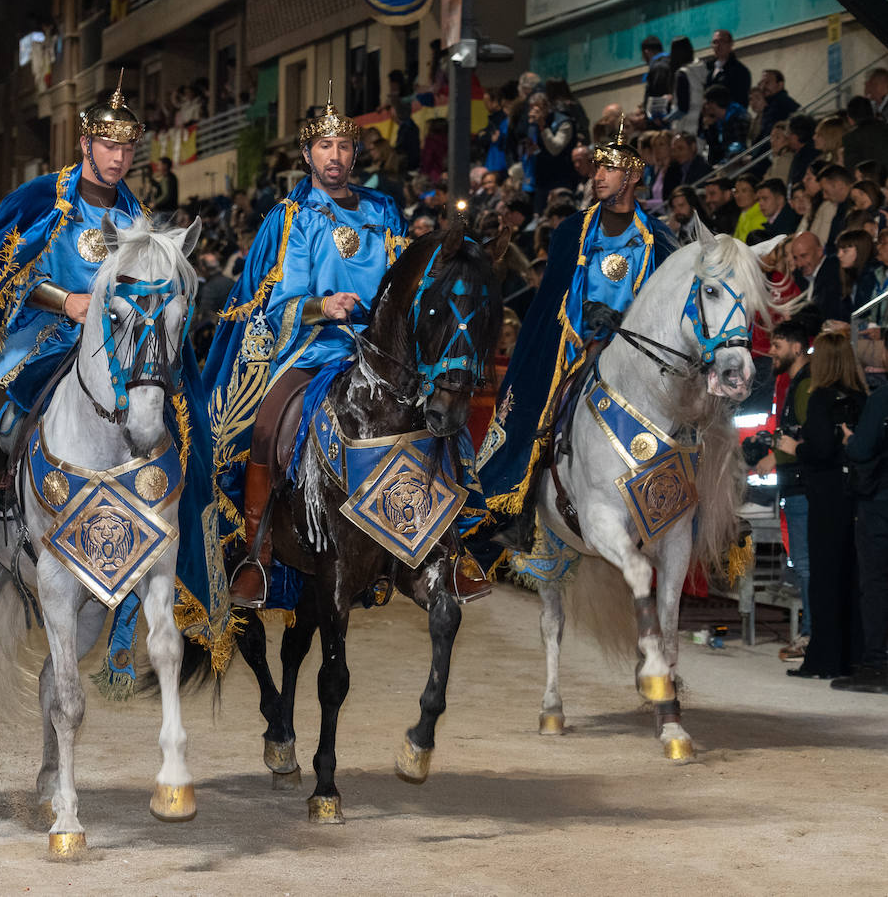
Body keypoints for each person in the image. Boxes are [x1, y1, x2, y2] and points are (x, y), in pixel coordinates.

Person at [0, 76, 209, 609]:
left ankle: (152, 554)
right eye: (109, 145)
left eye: (128, 147)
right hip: (43, 337)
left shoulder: (137, 218)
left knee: (171, 422)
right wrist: (68, 302)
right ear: (86, 144)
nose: (119, 157)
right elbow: (7, 278)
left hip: (115, 343)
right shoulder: (41, 198)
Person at [202, 89, 488, 608]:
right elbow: (277, 302)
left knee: (443, 418)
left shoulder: (383, 209)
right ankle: (256, 555)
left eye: (343, 146)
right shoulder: (294, 216)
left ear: (356, 155)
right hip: (314, 349)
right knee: (267, 423)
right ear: (307, 155)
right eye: (325, 146)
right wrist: (323, 306)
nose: (335, 156)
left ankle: (452, 544)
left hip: (383, 351)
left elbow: (407, 283)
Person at [480, 123, 673, 544]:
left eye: (610, 168)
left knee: (691, 415)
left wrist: (625, 321)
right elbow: (554, 299)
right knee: (539, 409)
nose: (598, 176)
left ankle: (706, 512)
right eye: (597, 168)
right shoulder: (572, 231)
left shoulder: (658, 238)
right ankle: (518, 507)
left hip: (639, 354)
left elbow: (670, 303)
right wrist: (587, 314)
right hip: (578, 346)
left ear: (634, 176)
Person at [785, 332, 865, 680]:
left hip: (824, 493)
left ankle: (823, 659)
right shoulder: (861, 398)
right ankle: (852, 657)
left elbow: (818, 449)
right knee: (851, 574)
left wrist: (794, 448)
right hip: (854, 494)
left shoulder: (820, 398)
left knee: (823, 576)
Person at [756, 318, 816, 657]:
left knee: (806, 565)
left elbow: (810, 437)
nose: (771, 353)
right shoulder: (794, 386)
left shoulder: (806, 386)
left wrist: (777, 458)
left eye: (777, 346)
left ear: (796, 347)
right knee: (805, 564)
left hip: (802, 489)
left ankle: (810, 636)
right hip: (796, 488)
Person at [837, 378, 888, 692]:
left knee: (876, 582)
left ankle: (877, 665)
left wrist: (850, 439)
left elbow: (863, 447)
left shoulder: (883, 398)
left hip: (881, 502)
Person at [790, 230, 849, 322]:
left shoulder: (834, 272)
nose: (799, 264)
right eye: (795, 258)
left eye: (804, 256)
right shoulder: (798, 276)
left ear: (819, 251)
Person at [698, 85, 750, 163]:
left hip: (734, 163)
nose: (705, 107)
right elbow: (714, 149)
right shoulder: (716, 120)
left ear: (713, 104)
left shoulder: (738, 117)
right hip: (721, 163)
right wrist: (709, 128)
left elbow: (738, 146)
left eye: (706, 103)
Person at [665, 37, 706, 134]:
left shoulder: (682, 74)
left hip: (686, 126)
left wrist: (666, 119)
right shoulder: (702, 67)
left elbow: (683, 108)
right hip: (701, 122)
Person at [704, 29, 751, 109]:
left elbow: (740, 101)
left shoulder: (739, 71)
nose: (718, 45)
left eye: (722, 41)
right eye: (715, 42)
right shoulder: (707, 68)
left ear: (730, 44)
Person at [842, 96, 888, 171]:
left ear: (850, 119)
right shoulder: (885, 128)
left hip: (869, 180)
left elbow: (852, 168)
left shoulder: (851, 138)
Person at [757, 70, 800, 142]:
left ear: (780, 85)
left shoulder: (783, 103)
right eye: (762, 83)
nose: (763, 86)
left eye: (767, 83)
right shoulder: (770, 105)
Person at [787, 114, 821, 188]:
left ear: (795, 136)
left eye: (789, 133)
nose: (787, 137)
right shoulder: (809, 152)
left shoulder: (805, 157)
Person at [732, 173, 768, 242]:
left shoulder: (761, 214)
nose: (738, 196)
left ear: (755, 194)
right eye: (736, 191)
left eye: (744, 191)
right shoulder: (743, 213)